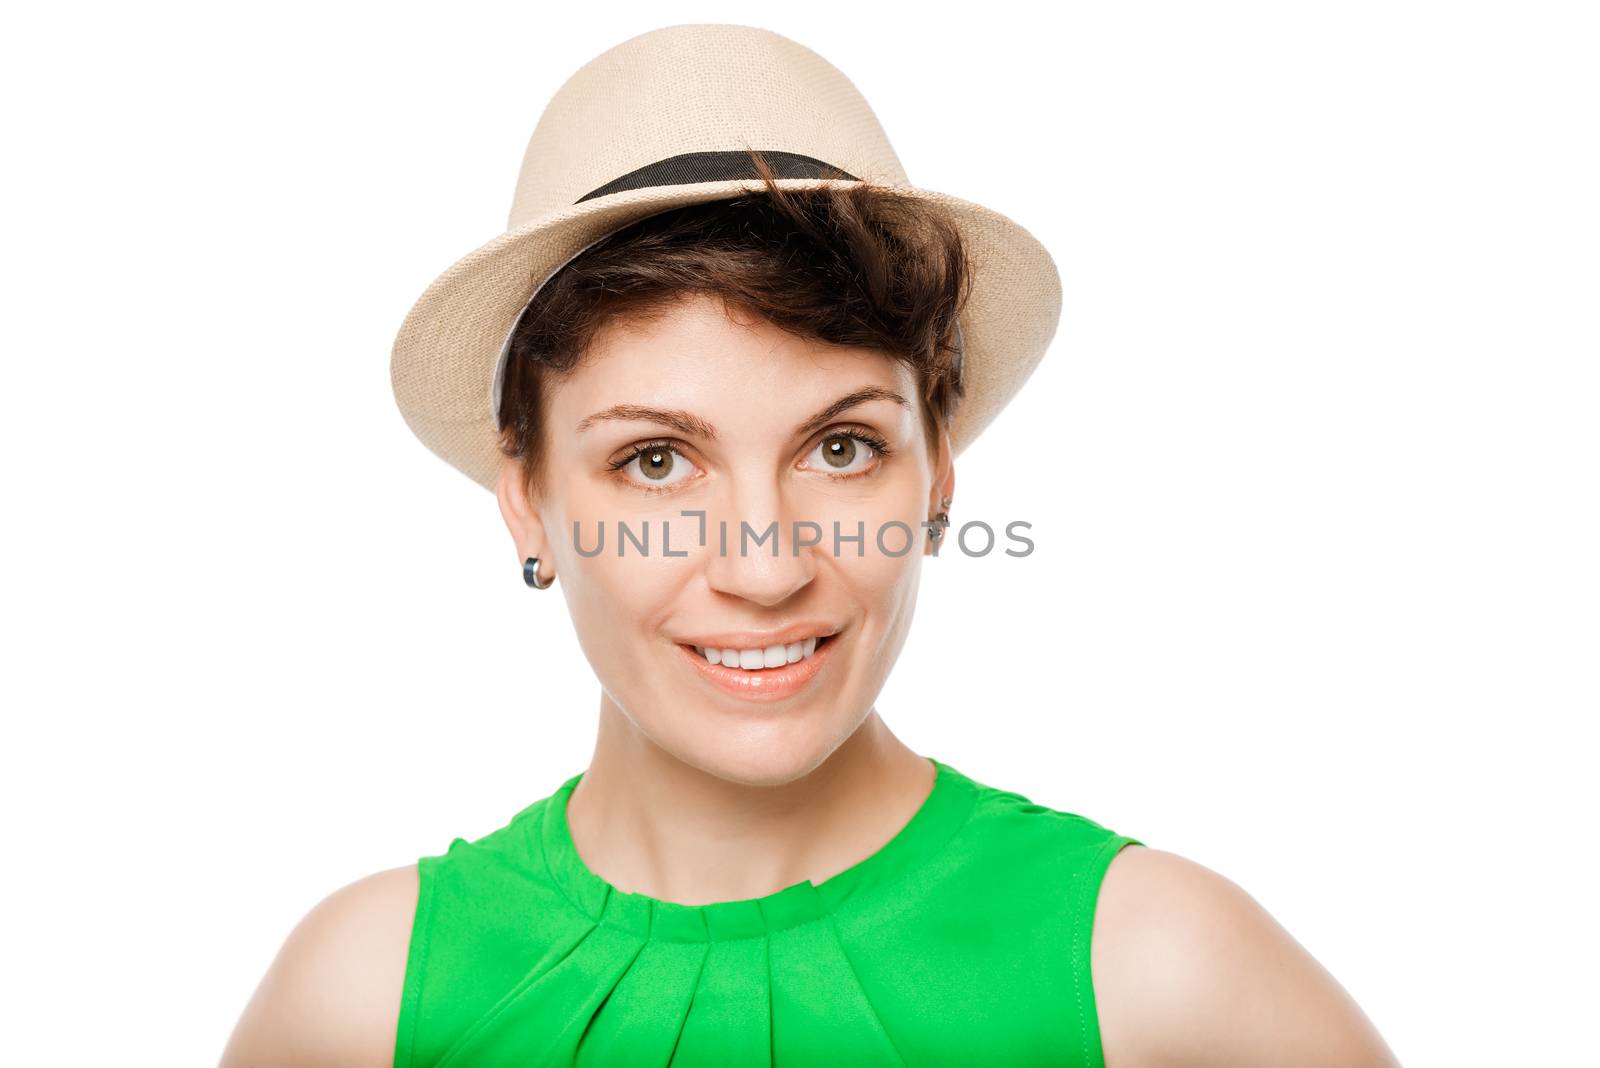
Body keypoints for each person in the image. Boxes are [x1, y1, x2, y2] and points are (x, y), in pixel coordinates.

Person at [220, 24, 1401, 1068]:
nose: (767, 566)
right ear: (526, 500)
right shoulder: (362, 1006)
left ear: (937, 471)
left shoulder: (1161, 976)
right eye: (654, 462)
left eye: (840, 448)